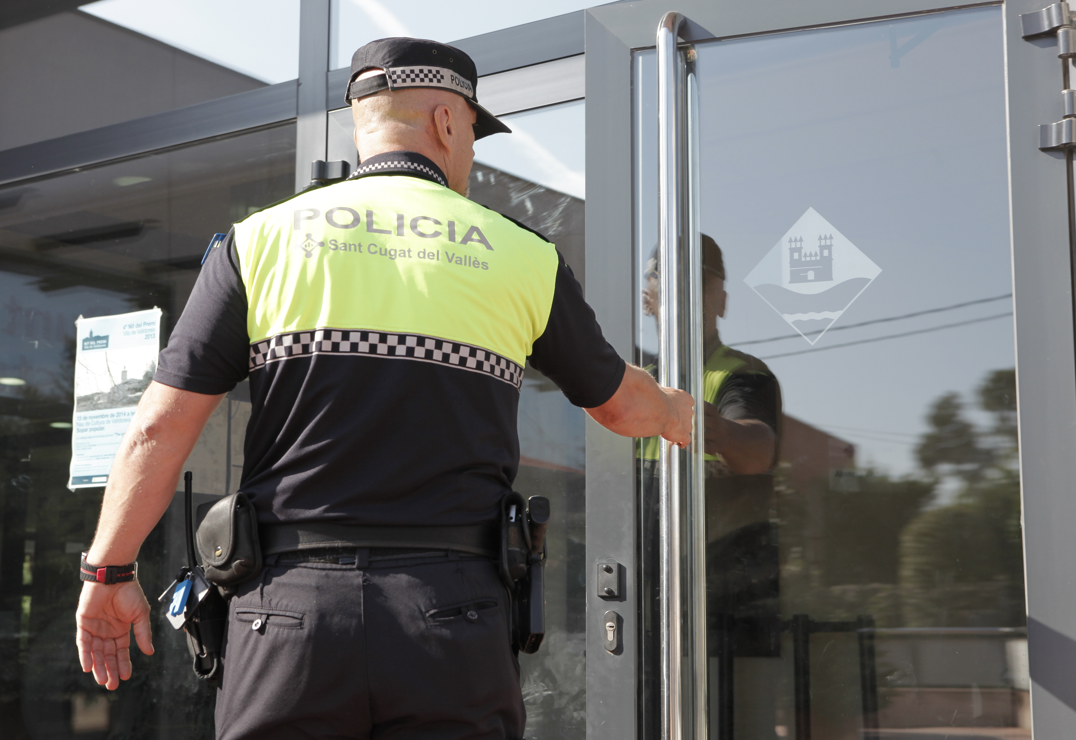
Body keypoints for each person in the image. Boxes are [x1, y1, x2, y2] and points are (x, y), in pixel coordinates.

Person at [74, 37, 693, 740]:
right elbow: (619, 404)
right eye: (473, 136)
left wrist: (107, 572)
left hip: (286, 615)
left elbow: (160, 427)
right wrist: (679, 412)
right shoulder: (519, 253)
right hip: (451, 615)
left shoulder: (262, 241)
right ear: (448, 123)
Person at [639, 235, 782, 655]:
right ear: (649, 300)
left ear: (721, 300)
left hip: (733, 606)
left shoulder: (742, 374)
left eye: (698, 285)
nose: (682, 298)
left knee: (737, 716)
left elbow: (757, 448)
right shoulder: (633, 384)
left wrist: (723, 433)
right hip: (644, 603)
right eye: (667, 286)